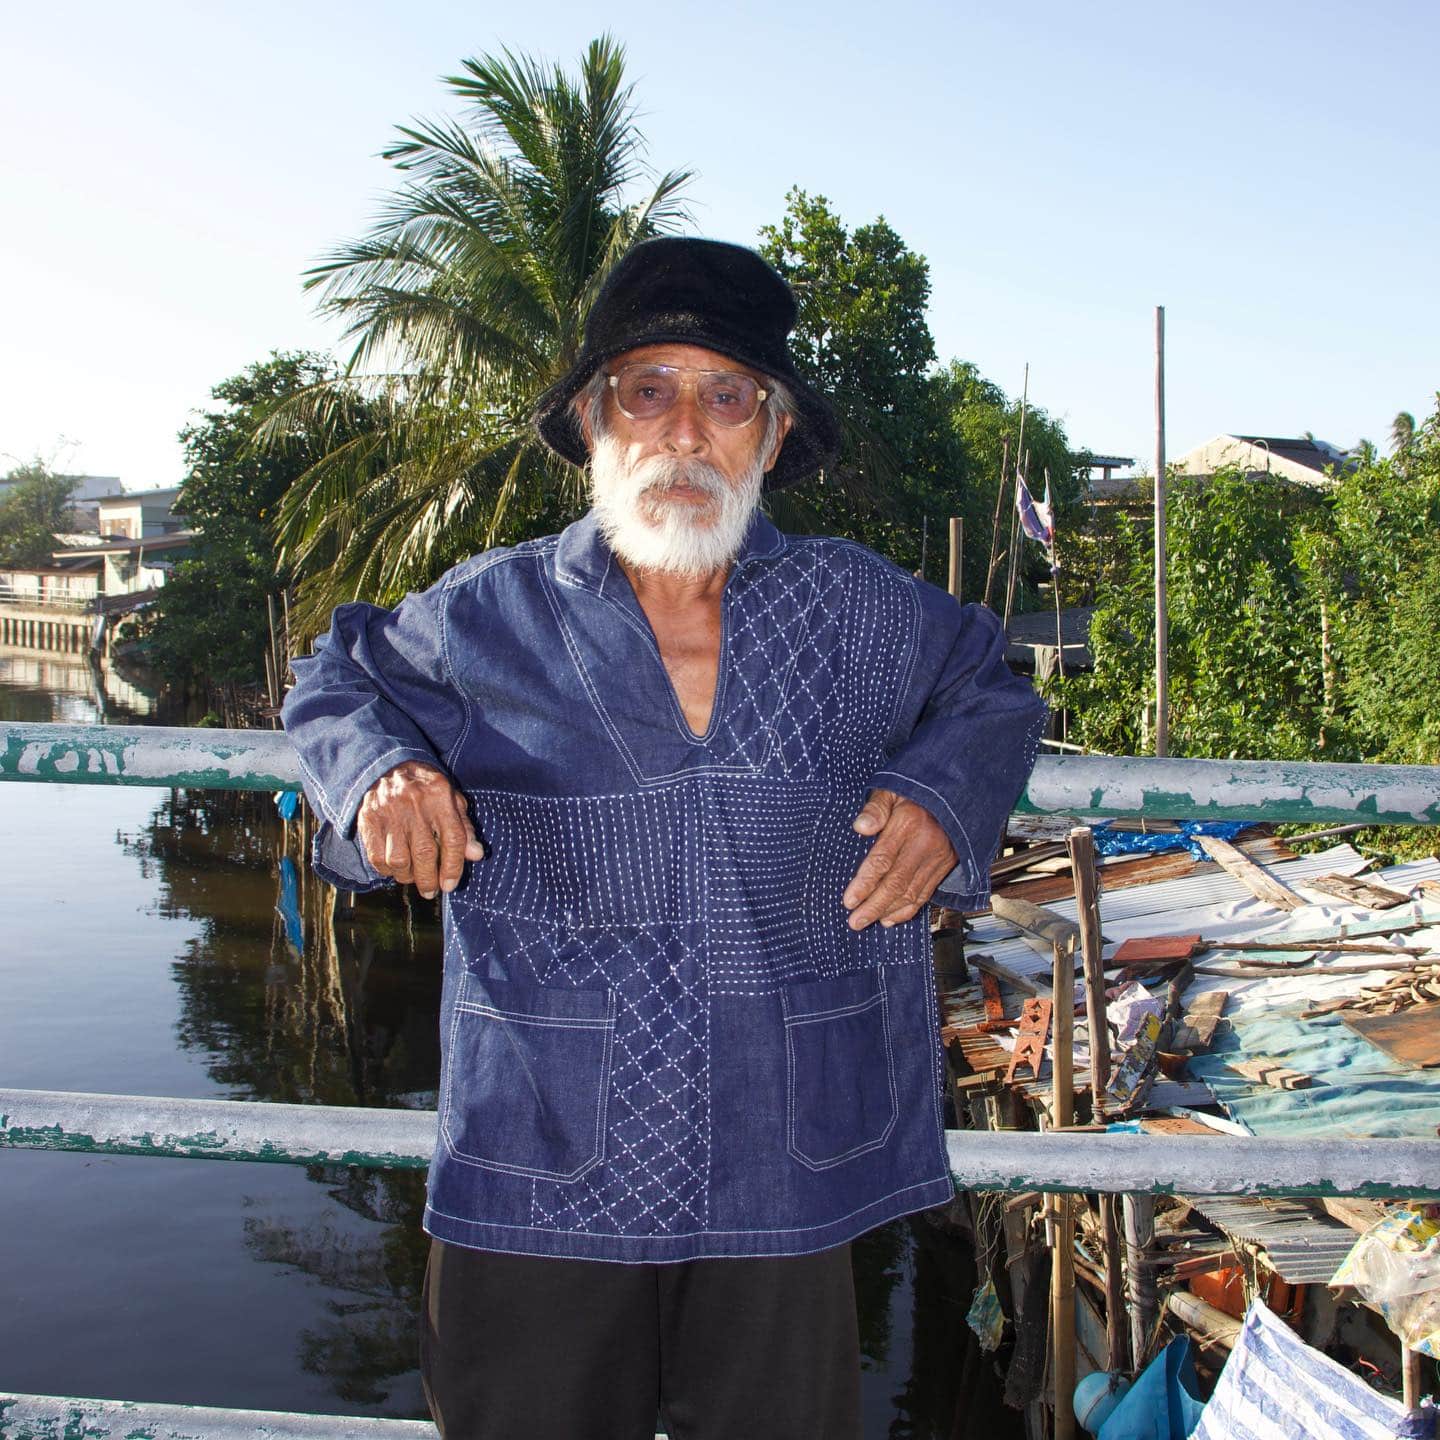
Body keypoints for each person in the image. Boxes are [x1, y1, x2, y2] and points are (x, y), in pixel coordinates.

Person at [282, 236, 1046, 1440]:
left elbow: (990, 684)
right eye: (648, 391)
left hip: (781, 1161)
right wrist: (381, 771)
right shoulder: (492, 612)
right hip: (541, 1159)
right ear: (593, 422)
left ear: (773, 435)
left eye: (725, 397)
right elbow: (335, 677)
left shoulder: (856, 606)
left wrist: (946, 799)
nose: (685, 430)